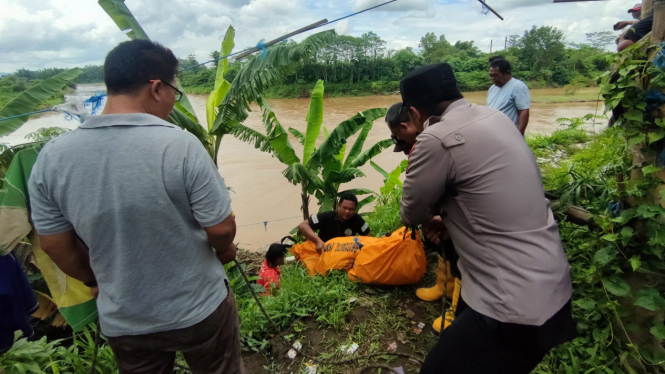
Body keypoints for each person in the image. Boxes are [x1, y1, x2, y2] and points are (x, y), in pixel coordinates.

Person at [28, 40, 244, 374]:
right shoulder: (181, 145)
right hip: (199, 310)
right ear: (156, 88)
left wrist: (94, 277)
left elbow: (55, 244)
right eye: (175, 91)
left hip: (125, 320)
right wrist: (224, 250)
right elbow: (221, 228)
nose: (175, 101)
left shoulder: (52, 158)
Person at [395, 63, 577, 374]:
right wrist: (452, 222)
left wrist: (437, 215)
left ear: (413, 113)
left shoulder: (435, 138)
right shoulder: (498, 119)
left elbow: (411, 213)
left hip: (511, 307)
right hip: (553, 290)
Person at [386, 102, 461, 333]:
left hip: (461, 209)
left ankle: (458, 310)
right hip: (443, 206)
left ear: (406, 125)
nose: (399, 141)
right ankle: (444, 286)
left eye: (398, 135)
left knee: (460, 255)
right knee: (442, 245)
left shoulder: (433, 141)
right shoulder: (422, 140)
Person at [298, 192, 370, 253]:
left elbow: (369, 237)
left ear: (355, 209)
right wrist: (318, 241)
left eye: (351, 209)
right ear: (339, 205)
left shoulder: (358, 220)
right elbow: (303, 225)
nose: (347, 211)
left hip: (346, 254)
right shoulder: (326, 216)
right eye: (345, 208)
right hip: (324, 252)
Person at [487, 58, 531, 135]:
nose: (493, 78)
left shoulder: (518, 86)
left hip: (509, 134)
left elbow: (524, 111)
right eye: (491, 75)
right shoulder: (492, 88)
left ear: (507, 73)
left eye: (496, 75)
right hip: (493, 133)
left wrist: (519, 134)